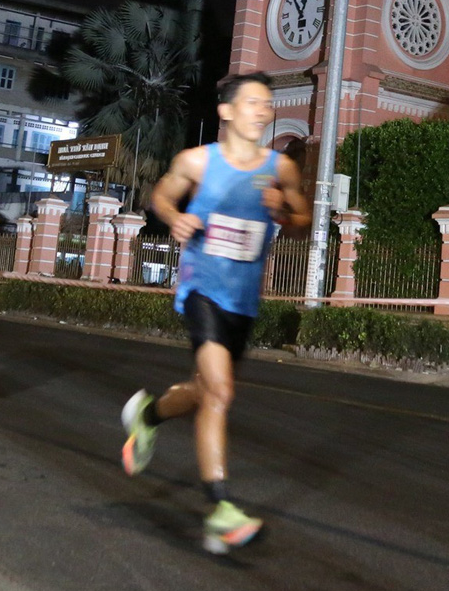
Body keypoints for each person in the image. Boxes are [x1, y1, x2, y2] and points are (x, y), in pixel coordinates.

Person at [120, 71, 309, 555]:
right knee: (221, 393)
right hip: (201, 289)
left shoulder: (280, 169)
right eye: (252, 102)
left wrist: (283, 212)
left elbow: (302, 221)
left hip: (244, 300)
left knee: (206, 393)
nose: (263, 111)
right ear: (226, 111)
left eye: (267, 104)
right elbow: (159, 194)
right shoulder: (196, 161)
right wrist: (174, 215)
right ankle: (221, 509)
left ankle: (149, 414)